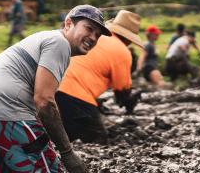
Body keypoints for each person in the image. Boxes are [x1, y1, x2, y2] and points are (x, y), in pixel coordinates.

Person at [0, 5, 110, 173]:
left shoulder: (42, 39)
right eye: (89, 29)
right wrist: (67, 153)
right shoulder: (59, 43)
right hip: (8, 118)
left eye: (98, 35)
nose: (93, 38)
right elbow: (44, 101)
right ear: (69, 23)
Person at [57, 10, 144, 144]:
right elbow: (122, 92)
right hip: (75, 95)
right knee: (97, 139)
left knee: (64, 135)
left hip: (54, 86)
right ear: (129, 38)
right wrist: (130, 102)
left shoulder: (96, 39)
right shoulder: (122, 51)